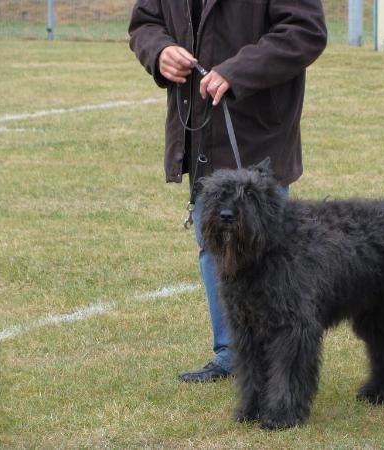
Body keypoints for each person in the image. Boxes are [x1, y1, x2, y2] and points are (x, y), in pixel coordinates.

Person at [128, 0, 327, 382]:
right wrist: (159, 52)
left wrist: (238, 70)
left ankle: (276, 357)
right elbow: (145, 21)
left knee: (268, 251)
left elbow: (306, 31)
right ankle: (232, 353)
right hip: (200, 128)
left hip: (257, 130)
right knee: (212, 243)